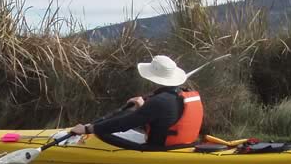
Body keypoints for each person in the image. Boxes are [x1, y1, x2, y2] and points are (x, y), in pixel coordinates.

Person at [69, 55, 204, 148]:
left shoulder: (159, 101)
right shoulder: (182, 94)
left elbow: (123, 124)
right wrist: (142, 107)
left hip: (158, 148)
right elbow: (165, 119)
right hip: (183, 144)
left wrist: (87, 129)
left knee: (103, 133)